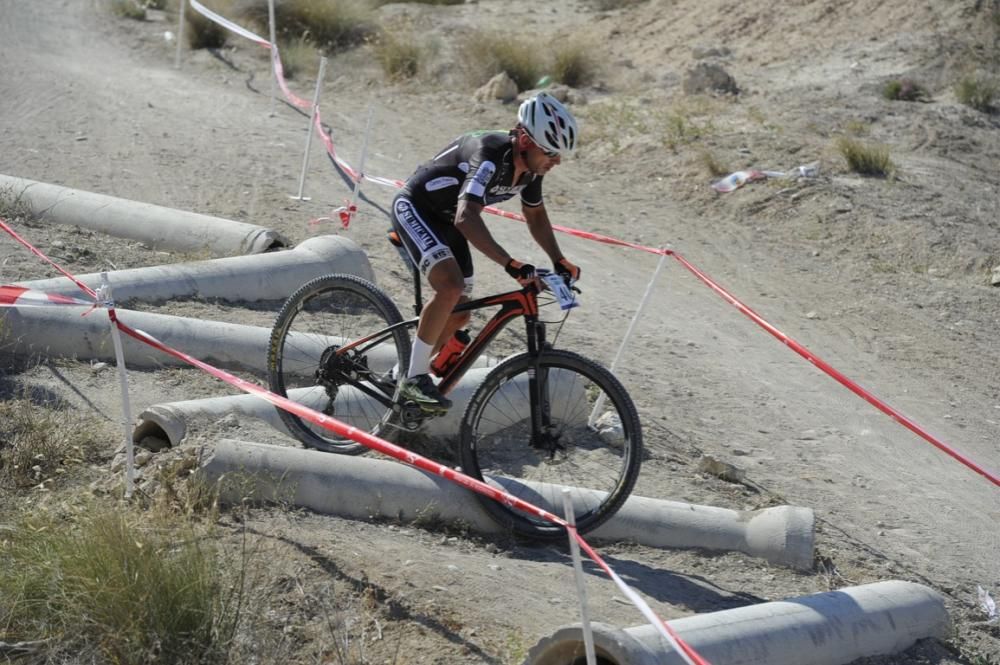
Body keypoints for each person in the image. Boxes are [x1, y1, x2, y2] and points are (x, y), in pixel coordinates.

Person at [389, 91, 582, 413]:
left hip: (446, 220)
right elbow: (467, 217)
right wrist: (511, 264)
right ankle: (414, 380)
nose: (556, 160)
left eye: (559, 154)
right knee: (450, 286)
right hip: (417, 208)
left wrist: (558, 259)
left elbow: (534, 214)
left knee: (460, 313)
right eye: (550, 151)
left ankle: (399, 375)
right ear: (524, 139)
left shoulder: (532, 169)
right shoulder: (490, 154)